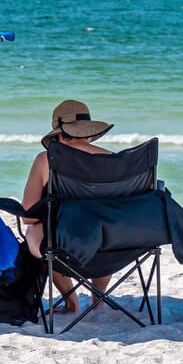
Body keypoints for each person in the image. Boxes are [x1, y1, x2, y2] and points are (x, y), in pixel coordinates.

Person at [21, 99, 115, 314]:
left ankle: (71, 302)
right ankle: (98, 300)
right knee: (103, 229)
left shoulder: (46, 160)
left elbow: (28, 214)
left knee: (34, 230)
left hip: (61, 248)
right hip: (112, 246)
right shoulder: (114, 160)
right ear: (89, 132)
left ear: (58, 133)